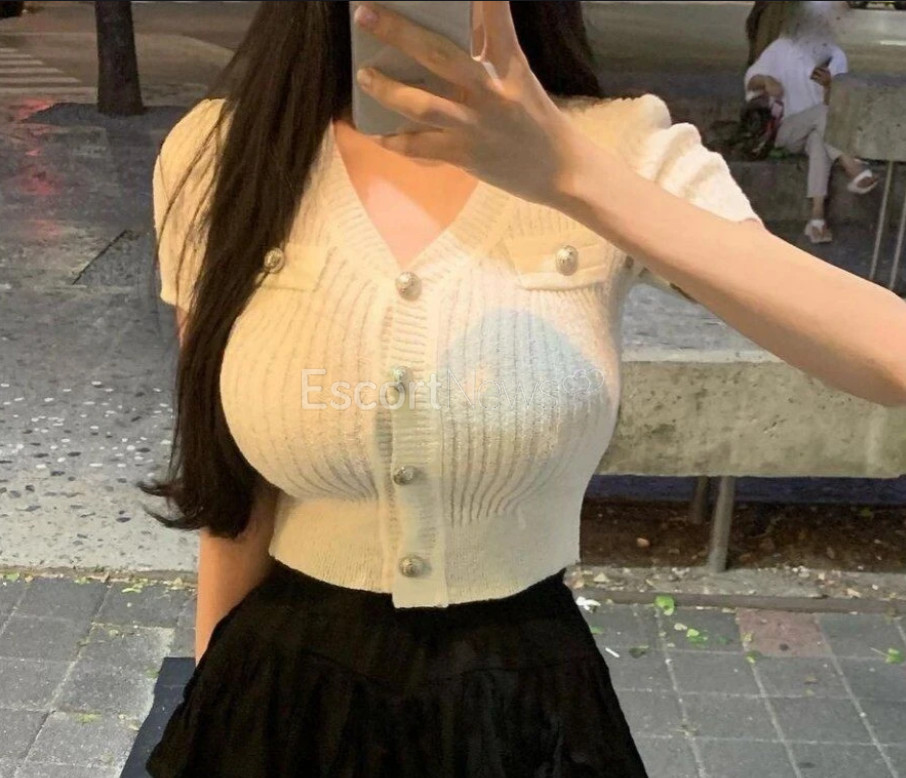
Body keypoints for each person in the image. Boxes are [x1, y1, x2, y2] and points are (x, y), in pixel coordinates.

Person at [139, 2, 906, 776]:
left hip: (523, 718)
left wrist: (570, 174)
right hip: (276, 706)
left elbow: (890, 355)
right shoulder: (221, 151)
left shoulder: (617, 145)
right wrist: (207, 709)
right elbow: (232, 496)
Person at [745, 0, 879, 244]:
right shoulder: (781, 48)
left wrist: (829, 85)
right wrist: (766, 80)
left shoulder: (836, 56)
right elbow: (751, 80)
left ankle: (816, 219)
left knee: (820, 140)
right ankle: (853, 167)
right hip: (787, 129)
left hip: (819, 131)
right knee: (821, 115)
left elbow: (837, 105)